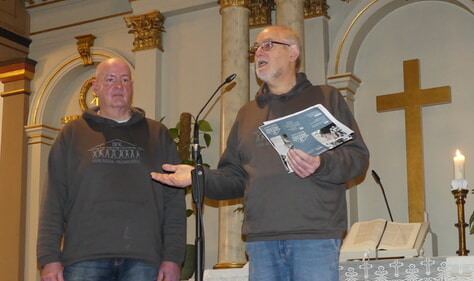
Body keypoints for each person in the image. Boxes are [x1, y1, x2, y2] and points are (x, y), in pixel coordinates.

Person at [151, 25, 369, 281]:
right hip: (262, 241)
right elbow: (234, 177)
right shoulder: (248, 114)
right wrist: (197, 176)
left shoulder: (323, 98)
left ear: (293, 52)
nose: (258, 54)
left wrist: (321, 163)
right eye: (255, 49)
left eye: (267, 45)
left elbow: (357, 157)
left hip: (313, 237)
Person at [37, 57, 186, 281]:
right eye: (110, 79)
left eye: (125, 80)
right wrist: (48, 258)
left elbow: (173, 203)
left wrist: (173, 258)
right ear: (95, 87)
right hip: (83, 260)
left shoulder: (158, 135)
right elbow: (53, 200)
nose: (118, 86)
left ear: (132, 87)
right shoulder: (72, 133)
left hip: (144, 261)